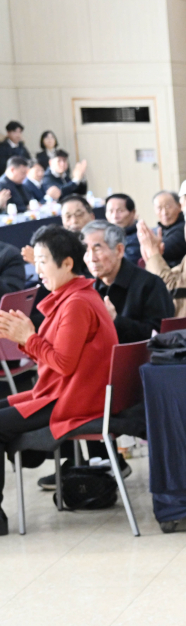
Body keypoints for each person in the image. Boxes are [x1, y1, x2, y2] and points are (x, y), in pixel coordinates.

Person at [0, 226, 117, 535]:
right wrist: (27, 339)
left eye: (42, 261)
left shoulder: (76, 303)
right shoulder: (76, 294)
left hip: (75, 398)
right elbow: (56, 357)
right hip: (67, 390)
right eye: (34, 261)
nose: (36, 270)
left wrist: (29, 338)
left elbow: (63, 364)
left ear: (67, 263)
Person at [80, 219, 173, 343]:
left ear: (119, 250)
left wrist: (115, 320)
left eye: (97, 249)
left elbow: (159, 334)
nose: (92, 258)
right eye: (86, 251)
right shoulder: (89, 289)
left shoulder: (150, 284)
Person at [152, 191, 186, 267]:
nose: (164, 212)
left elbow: (164, 250)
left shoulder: (185, 228)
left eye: (168, 207)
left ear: (179, 206)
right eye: (159, 208)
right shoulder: (158, 229)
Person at [105, 194, 140, 264]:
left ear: (133, 213)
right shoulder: (104, 235)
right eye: (110, 211)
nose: (114, 216)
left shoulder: (139, 236)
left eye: (120, 211)